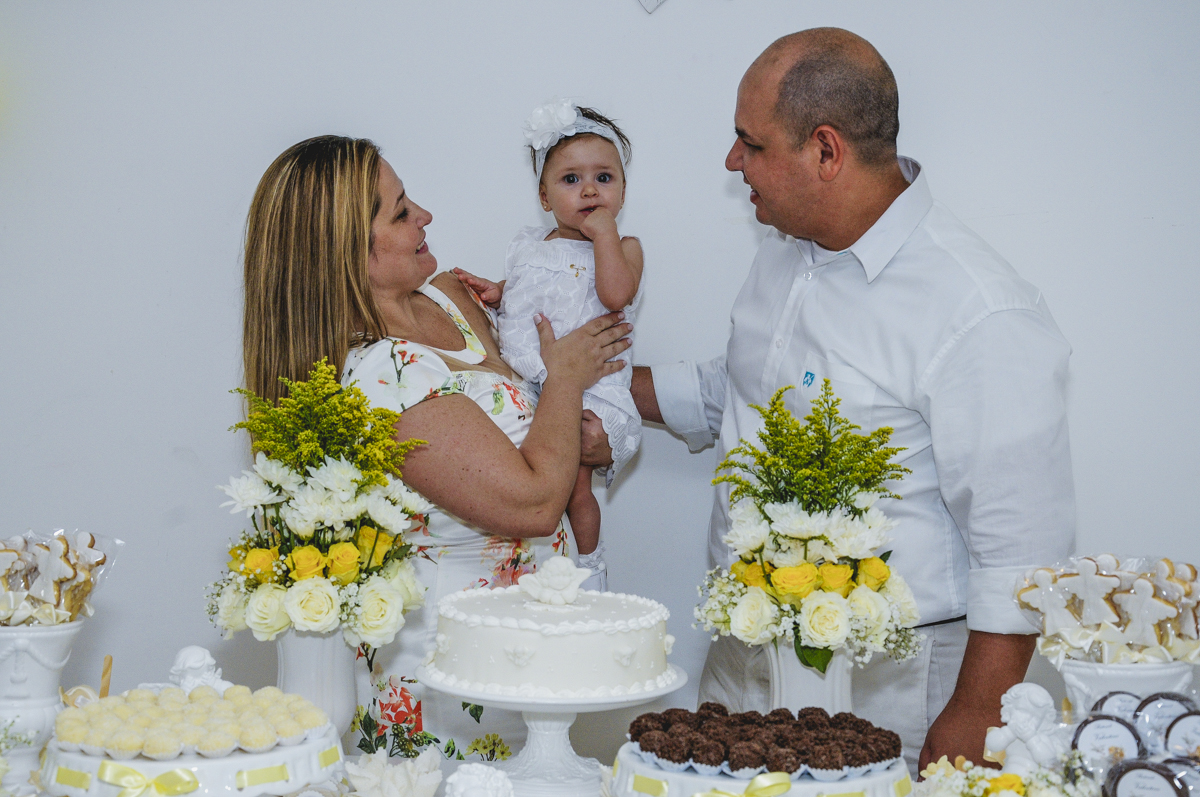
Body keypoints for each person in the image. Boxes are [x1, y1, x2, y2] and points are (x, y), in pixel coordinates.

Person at [624, 29, 1075, 770]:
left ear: (825, 151)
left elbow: (1022, 557)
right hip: (739, 667)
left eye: (751, 142)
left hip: (889, 686)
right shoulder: (784, 249)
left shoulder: (978, 310)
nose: (733, 162)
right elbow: (737, 389)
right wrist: (579, 382)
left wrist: (971, 724)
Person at [242, 135, 631, 759]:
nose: (424, 215)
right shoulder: (379, 373)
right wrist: (567, 378)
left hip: (526, 666)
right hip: (447, 695)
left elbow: (533, 395)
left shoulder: (450, 296)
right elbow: (531, 501)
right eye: (399, 212)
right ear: (345, 252)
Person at [457, 100, 644, 591]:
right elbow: (527, 295)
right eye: (570, 180)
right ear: (544, 196)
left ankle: (588, 573)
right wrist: (499, 295)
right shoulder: (526, 245)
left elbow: (615, 294)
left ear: (623, 190)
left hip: (590, 391)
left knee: (573, 486)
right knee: (530, 481)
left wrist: (603, 236)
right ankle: (545, 573)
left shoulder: (624, 250)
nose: (589, 190)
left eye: (605, 178)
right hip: (530, 382)